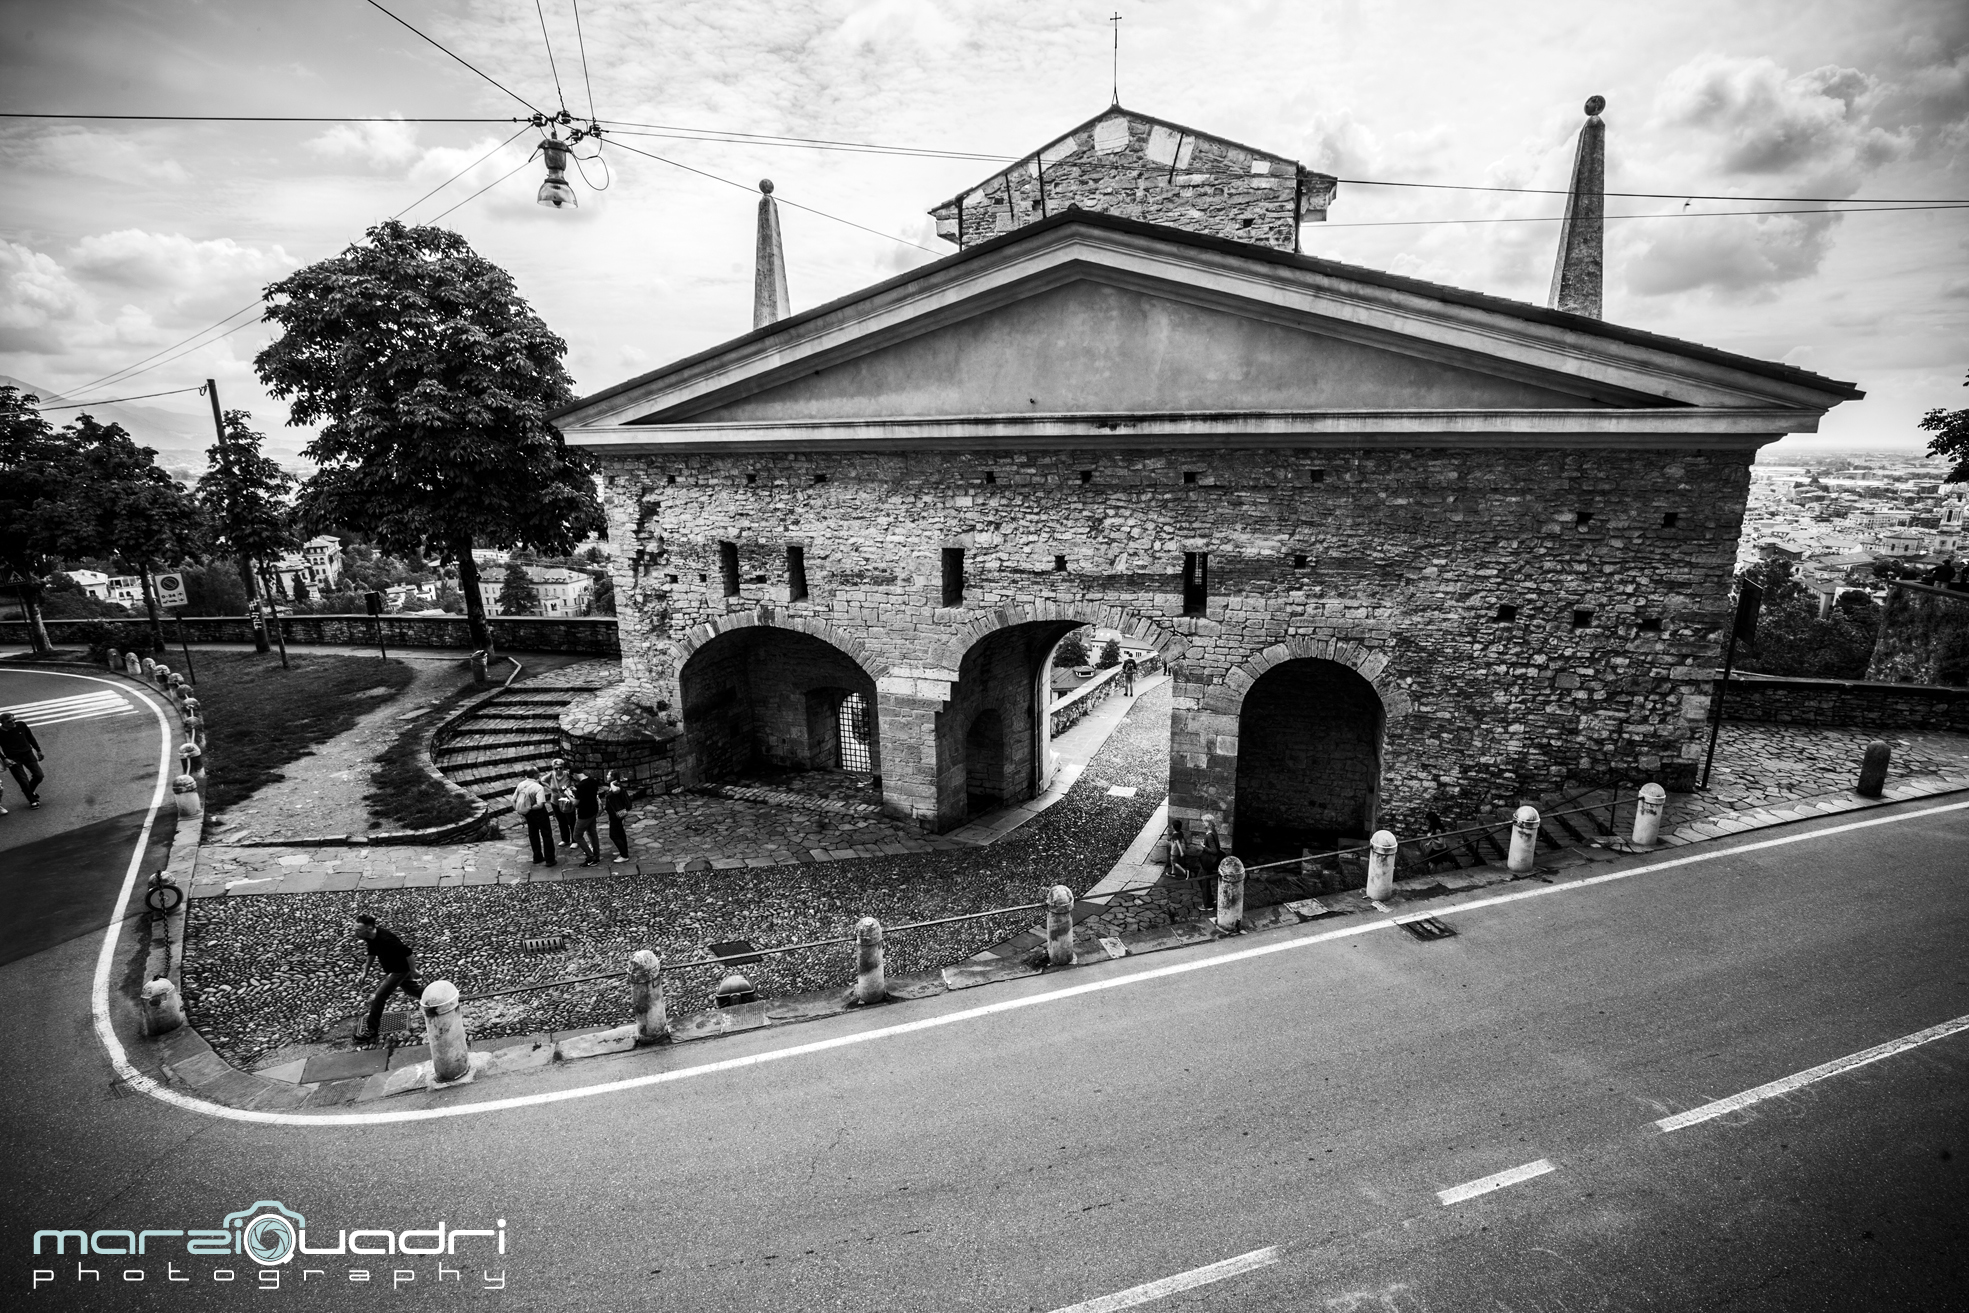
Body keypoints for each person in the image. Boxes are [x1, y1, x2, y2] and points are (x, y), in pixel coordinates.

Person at [352, 913, 424, 1043]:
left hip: (399, 970)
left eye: (358, 930)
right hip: (394, 969)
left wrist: (413, 970)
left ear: (369, 928)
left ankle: (371, 1030)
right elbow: (372, 952)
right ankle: (436, 1000)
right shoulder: (370, 936)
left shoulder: (386, 939)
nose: (356, 932)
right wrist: (365, 972)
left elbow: (408, 952)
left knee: (378, 997)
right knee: (413, 990)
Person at [0, 711, 45, 810]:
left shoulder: (21, 725)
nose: (13, 723)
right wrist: (4, 759)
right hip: (13, 758)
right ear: (2, 723)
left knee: (39, 775)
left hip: (28, 754)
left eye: (13, 720)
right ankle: (33, 800)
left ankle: (29, 791)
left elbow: (30, 738)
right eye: (9, 722)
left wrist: (38, 750)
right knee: (23, 781)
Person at [513, 772, 555, 866]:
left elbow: (513, 800)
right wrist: (530, 807)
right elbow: (540, 805)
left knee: (533, 834)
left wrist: (521, 810)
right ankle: (550, 859)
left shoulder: (521, 785)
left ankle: (537, 856)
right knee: (546, 834)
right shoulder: (538, 787)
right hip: (538, 812)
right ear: (535, 775)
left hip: (528, 814)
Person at [572, 769, 603, 866]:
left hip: (584, 813)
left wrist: (567, 794)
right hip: (593, 810)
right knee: (592, 833)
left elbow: (575, 803)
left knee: (577, 836)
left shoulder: (580, 785)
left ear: (574, 774)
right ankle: (596, 856)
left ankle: (590, 857)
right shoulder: (592, 780)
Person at [603, 770, 633, 864]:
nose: (607, 776)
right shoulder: (614, 786)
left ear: (613, 777)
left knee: (613, 835)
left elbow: (616, 791)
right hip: (614, 815)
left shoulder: (617, 786)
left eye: (609, 775)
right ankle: (623, 851)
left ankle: (624, 855)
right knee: (620, 833)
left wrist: (611, 783)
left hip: (616, 815)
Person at [546, 758, 577, 844]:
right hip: (556, 801)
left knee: (571, 821)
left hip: (567, 801)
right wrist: (549, 787)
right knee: (561, 821)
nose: (558, 770)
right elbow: (542, 780)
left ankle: (575, 840)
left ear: (563, 767)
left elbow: (574, 782)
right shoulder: (552, 775)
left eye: (560, 767)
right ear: (553, 768)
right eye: (556, 768)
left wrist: (571, 788)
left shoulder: (567, 774)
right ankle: (565, 839)